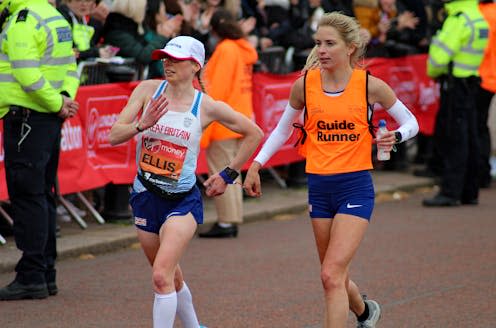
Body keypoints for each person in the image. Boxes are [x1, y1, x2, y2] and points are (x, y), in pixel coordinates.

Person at [243, 12, 418, 328]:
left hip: (355, 187)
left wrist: (396, 135)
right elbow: (282, 130)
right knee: (334, 274)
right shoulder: (305, 86)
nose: (321, 50)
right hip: (319, 187)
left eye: (329, 44)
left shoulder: (370, 85)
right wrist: (256, 164)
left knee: (330, 274)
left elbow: (411, 122)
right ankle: (365, 312)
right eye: (318, 43)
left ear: (350, 47)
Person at [108, 35, 263, 327]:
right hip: (145, 196)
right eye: (165, 58)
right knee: (170, 274)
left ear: (195, 66)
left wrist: (229, 173)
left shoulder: (206, 106)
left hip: (182, 200)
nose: (168, 64)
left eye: (176, 59)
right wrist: (142, 125)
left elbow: (254, 132)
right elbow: (113, 135)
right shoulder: (148, 90)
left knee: (160, 276)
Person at [0, 0, 79, 300]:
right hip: (46, 117)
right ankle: (45, 272)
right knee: (43, 193)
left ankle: (31, 275)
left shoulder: (23, 19)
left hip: (27, 117)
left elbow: (26, 73)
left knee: (27, 195)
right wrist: (64, 99)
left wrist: (58, 103)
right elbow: (70, 65)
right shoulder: (54, 15)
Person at [198, 9, 258, 238]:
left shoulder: (225, 49)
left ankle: (226, 221)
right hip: (240, 116)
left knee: (222, 171)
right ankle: (230, 220)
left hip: (224, 120)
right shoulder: (242, 48)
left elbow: (217, 89)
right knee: (232, 171)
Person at [422, 0, 489, 207]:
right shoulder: (477, 16)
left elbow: (439, 57)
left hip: (456, 86)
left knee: (455, 139)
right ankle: (470, 191)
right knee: (471, 138)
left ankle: (451, 192)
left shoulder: (458, 19)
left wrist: (433, 71)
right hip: (472, 82)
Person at [477, 0, 496, 188]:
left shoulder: (480, 13)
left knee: (476, 128)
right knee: (482, 127)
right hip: (491, 78)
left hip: (481, 77)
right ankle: (483, 172)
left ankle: (480, 173)